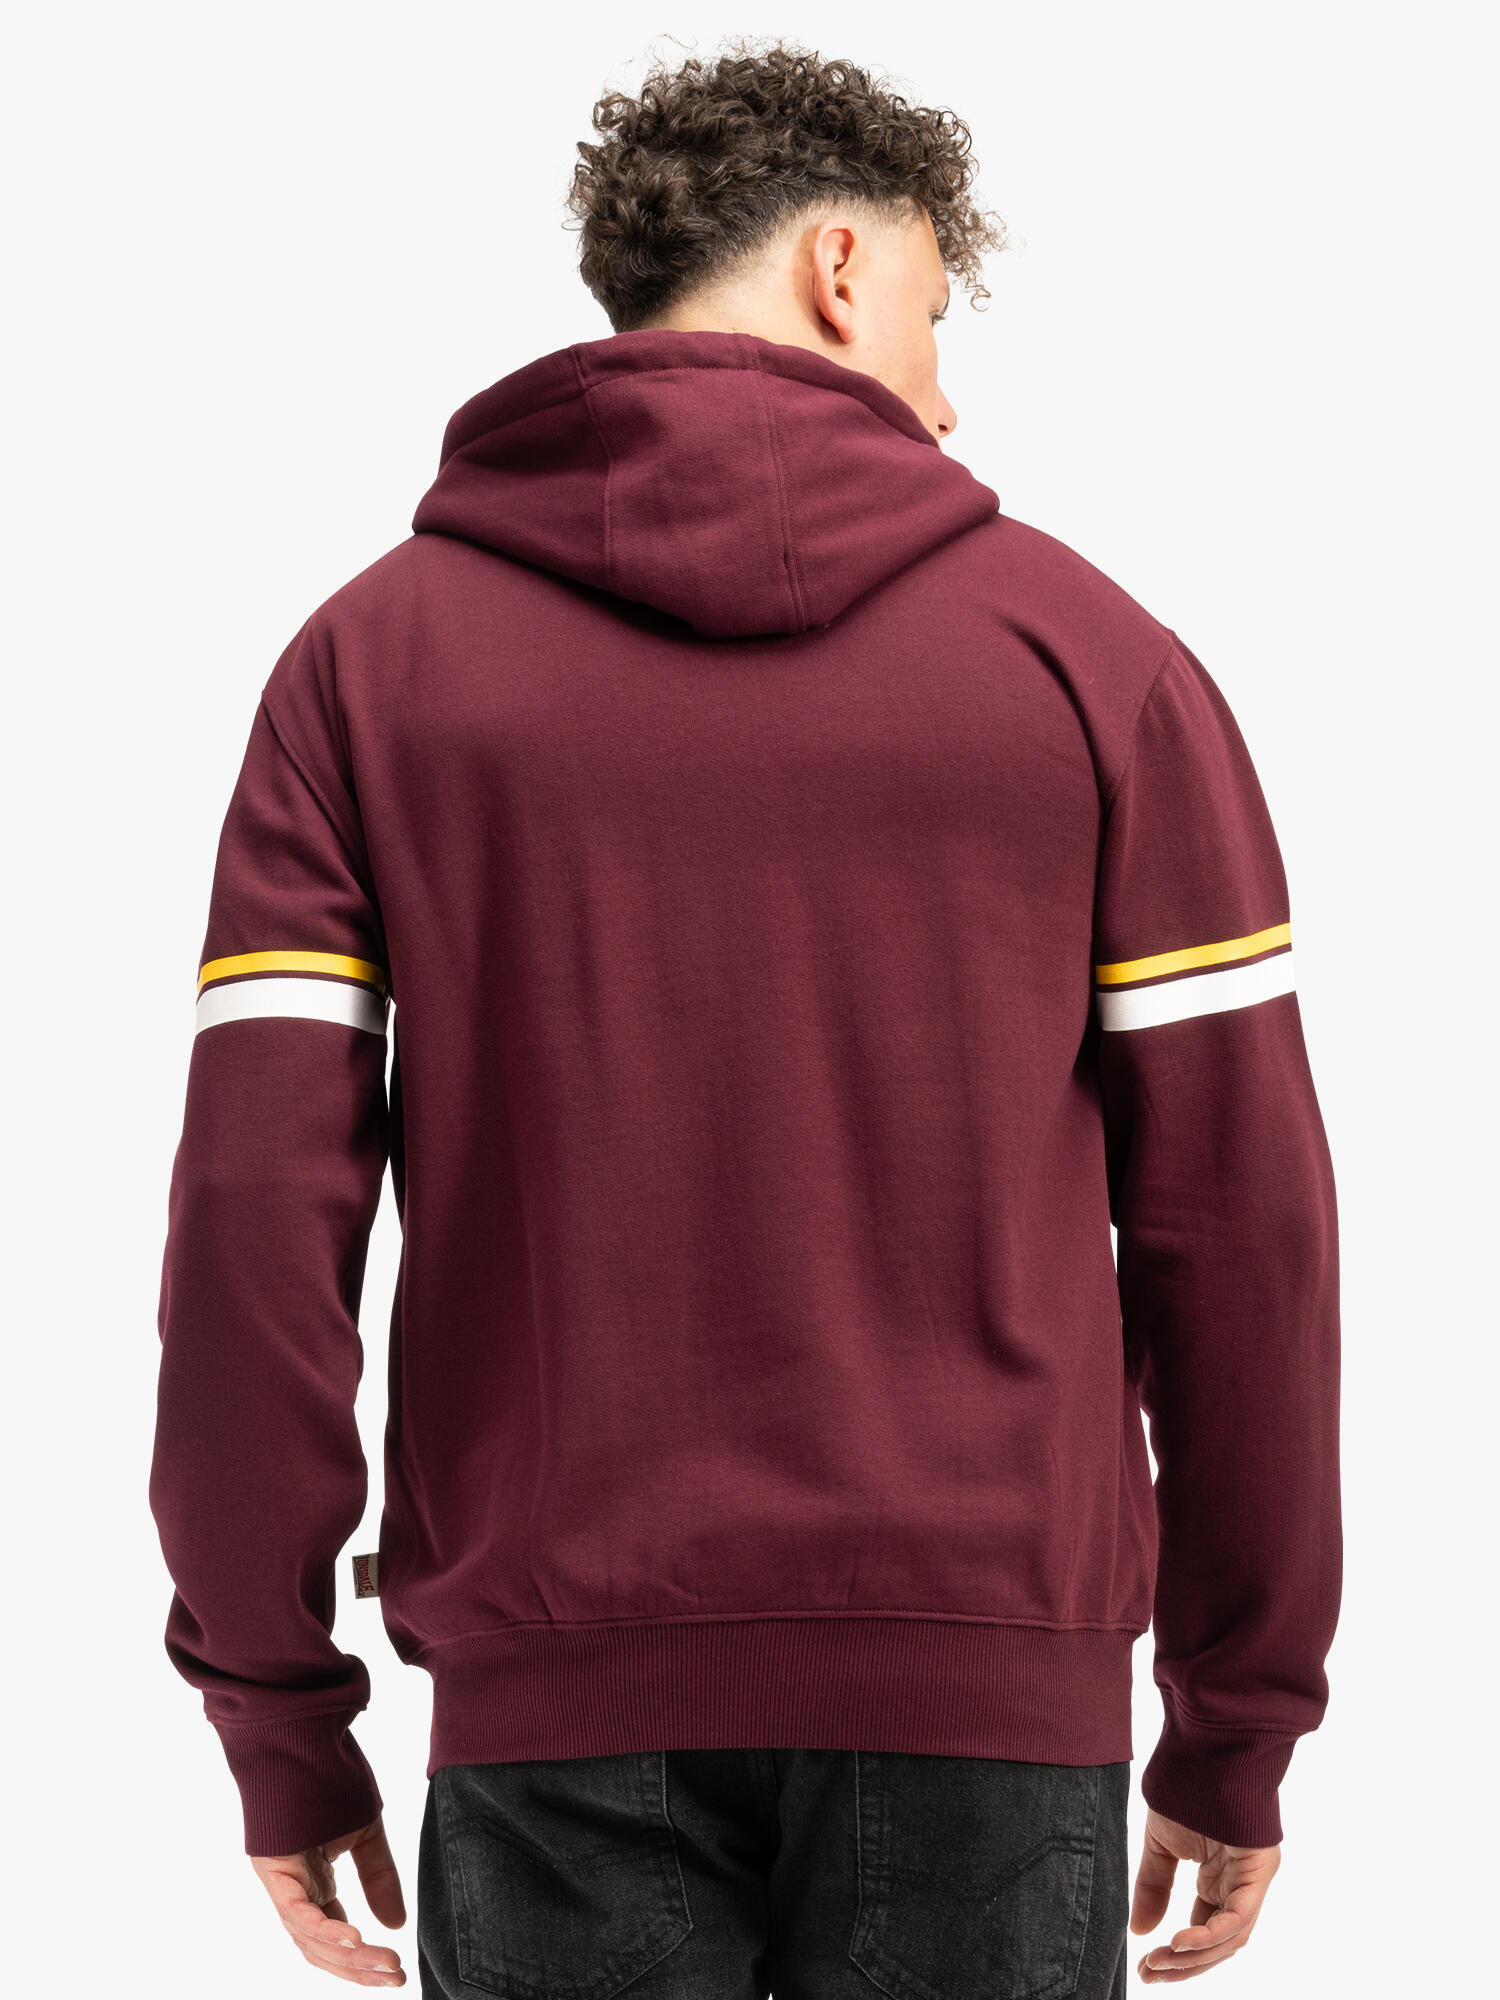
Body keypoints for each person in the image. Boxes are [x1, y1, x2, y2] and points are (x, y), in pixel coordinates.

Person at [149, 39, 1341, 1998]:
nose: (948, 399)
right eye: (939, 320)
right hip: (991, 1705)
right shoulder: (1093, 664)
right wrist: (1240, 1710)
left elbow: (251, 1220)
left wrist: (276, 1709)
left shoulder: (365, 671)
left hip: (549, 1707)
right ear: (842, 268)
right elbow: (1244, 1237)